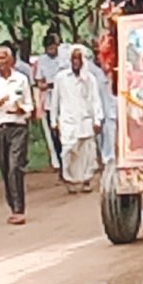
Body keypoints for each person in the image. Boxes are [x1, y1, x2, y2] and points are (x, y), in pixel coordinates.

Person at [0, 46, 33, 225]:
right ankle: (12, 205)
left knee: (15, 166)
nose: (0, 62)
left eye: (3, 58)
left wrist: (20, 109)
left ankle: (19, 209)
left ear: (10, 60)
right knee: (4, 167)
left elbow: (29, 106)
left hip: (17, 126)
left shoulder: (21, 79)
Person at [51, 47, 104, 193]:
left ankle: (87, 179)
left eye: (78, 59)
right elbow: (55, 100)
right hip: (68, 121)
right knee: (68, 151)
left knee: (88, 152)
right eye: (73, 59)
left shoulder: (90, 79)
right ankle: (70, 179)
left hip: (86, 120)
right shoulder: (61, 78)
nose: (76, 62)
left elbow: (95, 100)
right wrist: (53, 121)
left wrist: (97, 120)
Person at [37, 33, 64, 171]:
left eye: (53, 48)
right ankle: (58, 161)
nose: (51, 52)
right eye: (49, 49)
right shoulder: (41, 61)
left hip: (65, 101)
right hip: (50, 101)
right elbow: (39, 82)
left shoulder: (64, 59)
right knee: (54, 133)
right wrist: (47, 85)